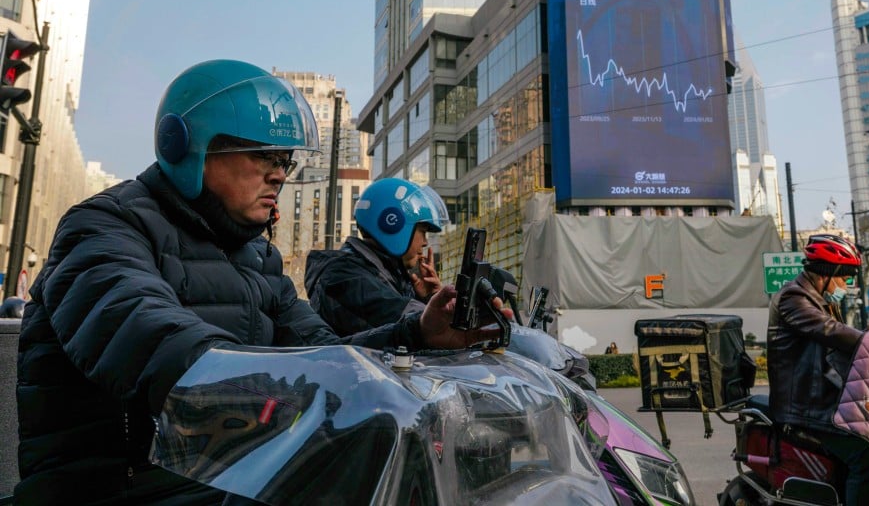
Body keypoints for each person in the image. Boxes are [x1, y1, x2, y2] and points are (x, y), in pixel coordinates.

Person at [15, 60, 509, 505]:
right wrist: (279, 400)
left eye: (285, 162)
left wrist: (418, 335)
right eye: (265, 156)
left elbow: (327, 353)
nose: (279, 175)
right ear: (189, 147)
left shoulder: (256, 256)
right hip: (123, 488)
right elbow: (146, 335)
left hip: (234, 478)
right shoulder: (104, 228)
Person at [767, 234, 869, 506]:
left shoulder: (819, 299)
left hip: (824, 399)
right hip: (804, 405)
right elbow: (829, 330)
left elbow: (836, 336)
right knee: (868, 454)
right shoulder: (793, 297)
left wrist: (868, 333)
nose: (846, 285)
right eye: (844, 278)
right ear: (829, 272)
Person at [305, 177, 445, 337]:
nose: (425, 242)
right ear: (393, 223)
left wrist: (428, 298)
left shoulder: (386, 274)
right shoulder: (343, 276)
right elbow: (397, 319)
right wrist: (440, 312)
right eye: (423, 231)